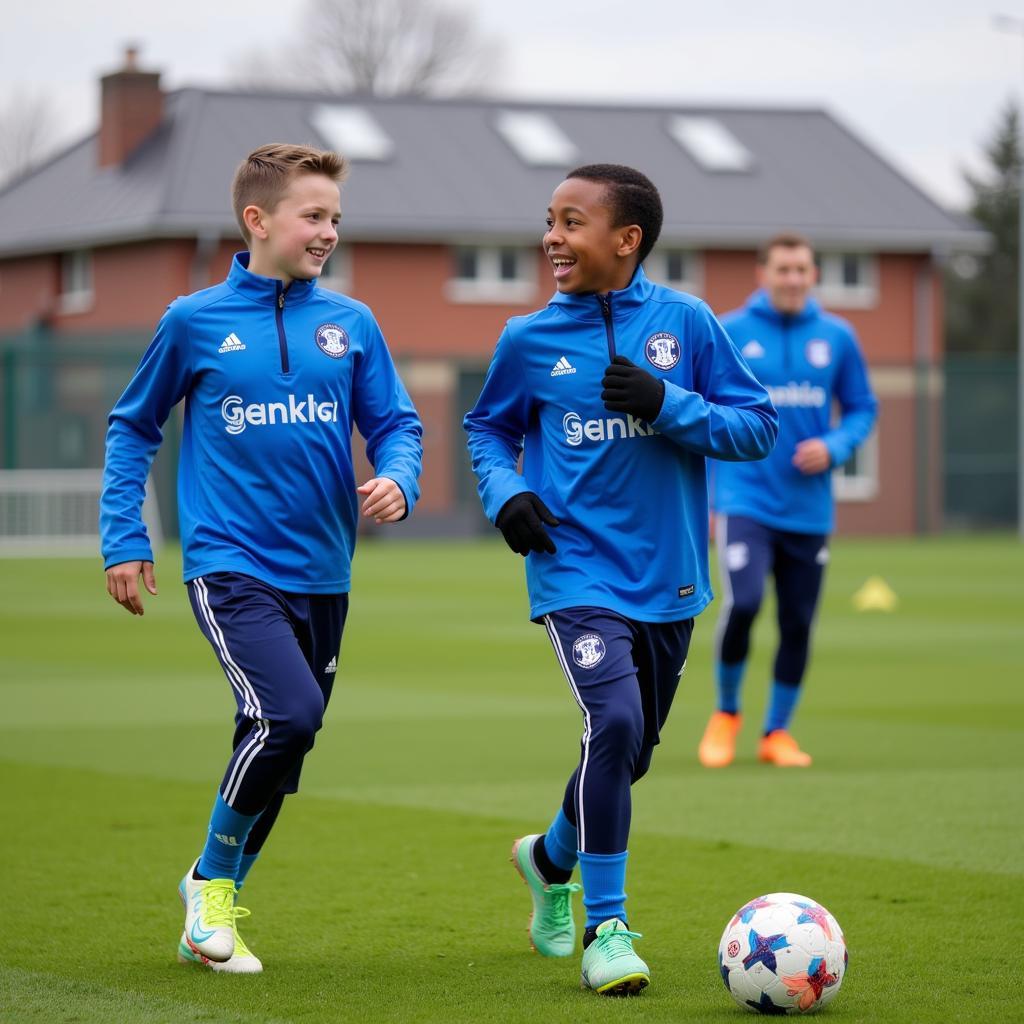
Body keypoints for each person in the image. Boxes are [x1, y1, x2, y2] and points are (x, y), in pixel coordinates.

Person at [100, 144, 423, 973]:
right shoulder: (192, 320)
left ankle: (210, 908)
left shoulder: (352, 324)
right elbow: (134, 425)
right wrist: (126, 538)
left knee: (279, 741)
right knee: (290, 716)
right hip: (229, 562)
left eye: (335, 219)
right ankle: (209, 886)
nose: (328, 232)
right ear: (258, 220)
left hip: (325, 571)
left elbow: (397, 424)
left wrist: (396, 476)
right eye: (314, 216)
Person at [464, 164, 778, 996]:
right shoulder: (527, 339)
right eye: (550, 221)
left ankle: (548, 857)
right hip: (574, 570)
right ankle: (608, 926)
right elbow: (487, 430)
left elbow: (756, 430)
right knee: (614, 719)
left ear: (626, 239)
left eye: (570, 223)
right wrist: (508, 493)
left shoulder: (688, 322)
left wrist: (669, 402)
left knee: (629, 753)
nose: (551, 239)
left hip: (670, 578)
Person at [700, 233, 877, 769]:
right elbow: (699, 416)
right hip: (744, 499)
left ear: (814, 275)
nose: (793, 278)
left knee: (798, 621)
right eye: (784, 269)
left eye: (802, 269)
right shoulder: (729, 332)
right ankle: (726, 716)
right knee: (746, 603)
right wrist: (708, 500)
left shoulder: (837, 337)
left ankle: (776, 732)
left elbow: (864, 408)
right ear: (763, 274)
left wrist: (836, 445)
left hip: (809, 509)